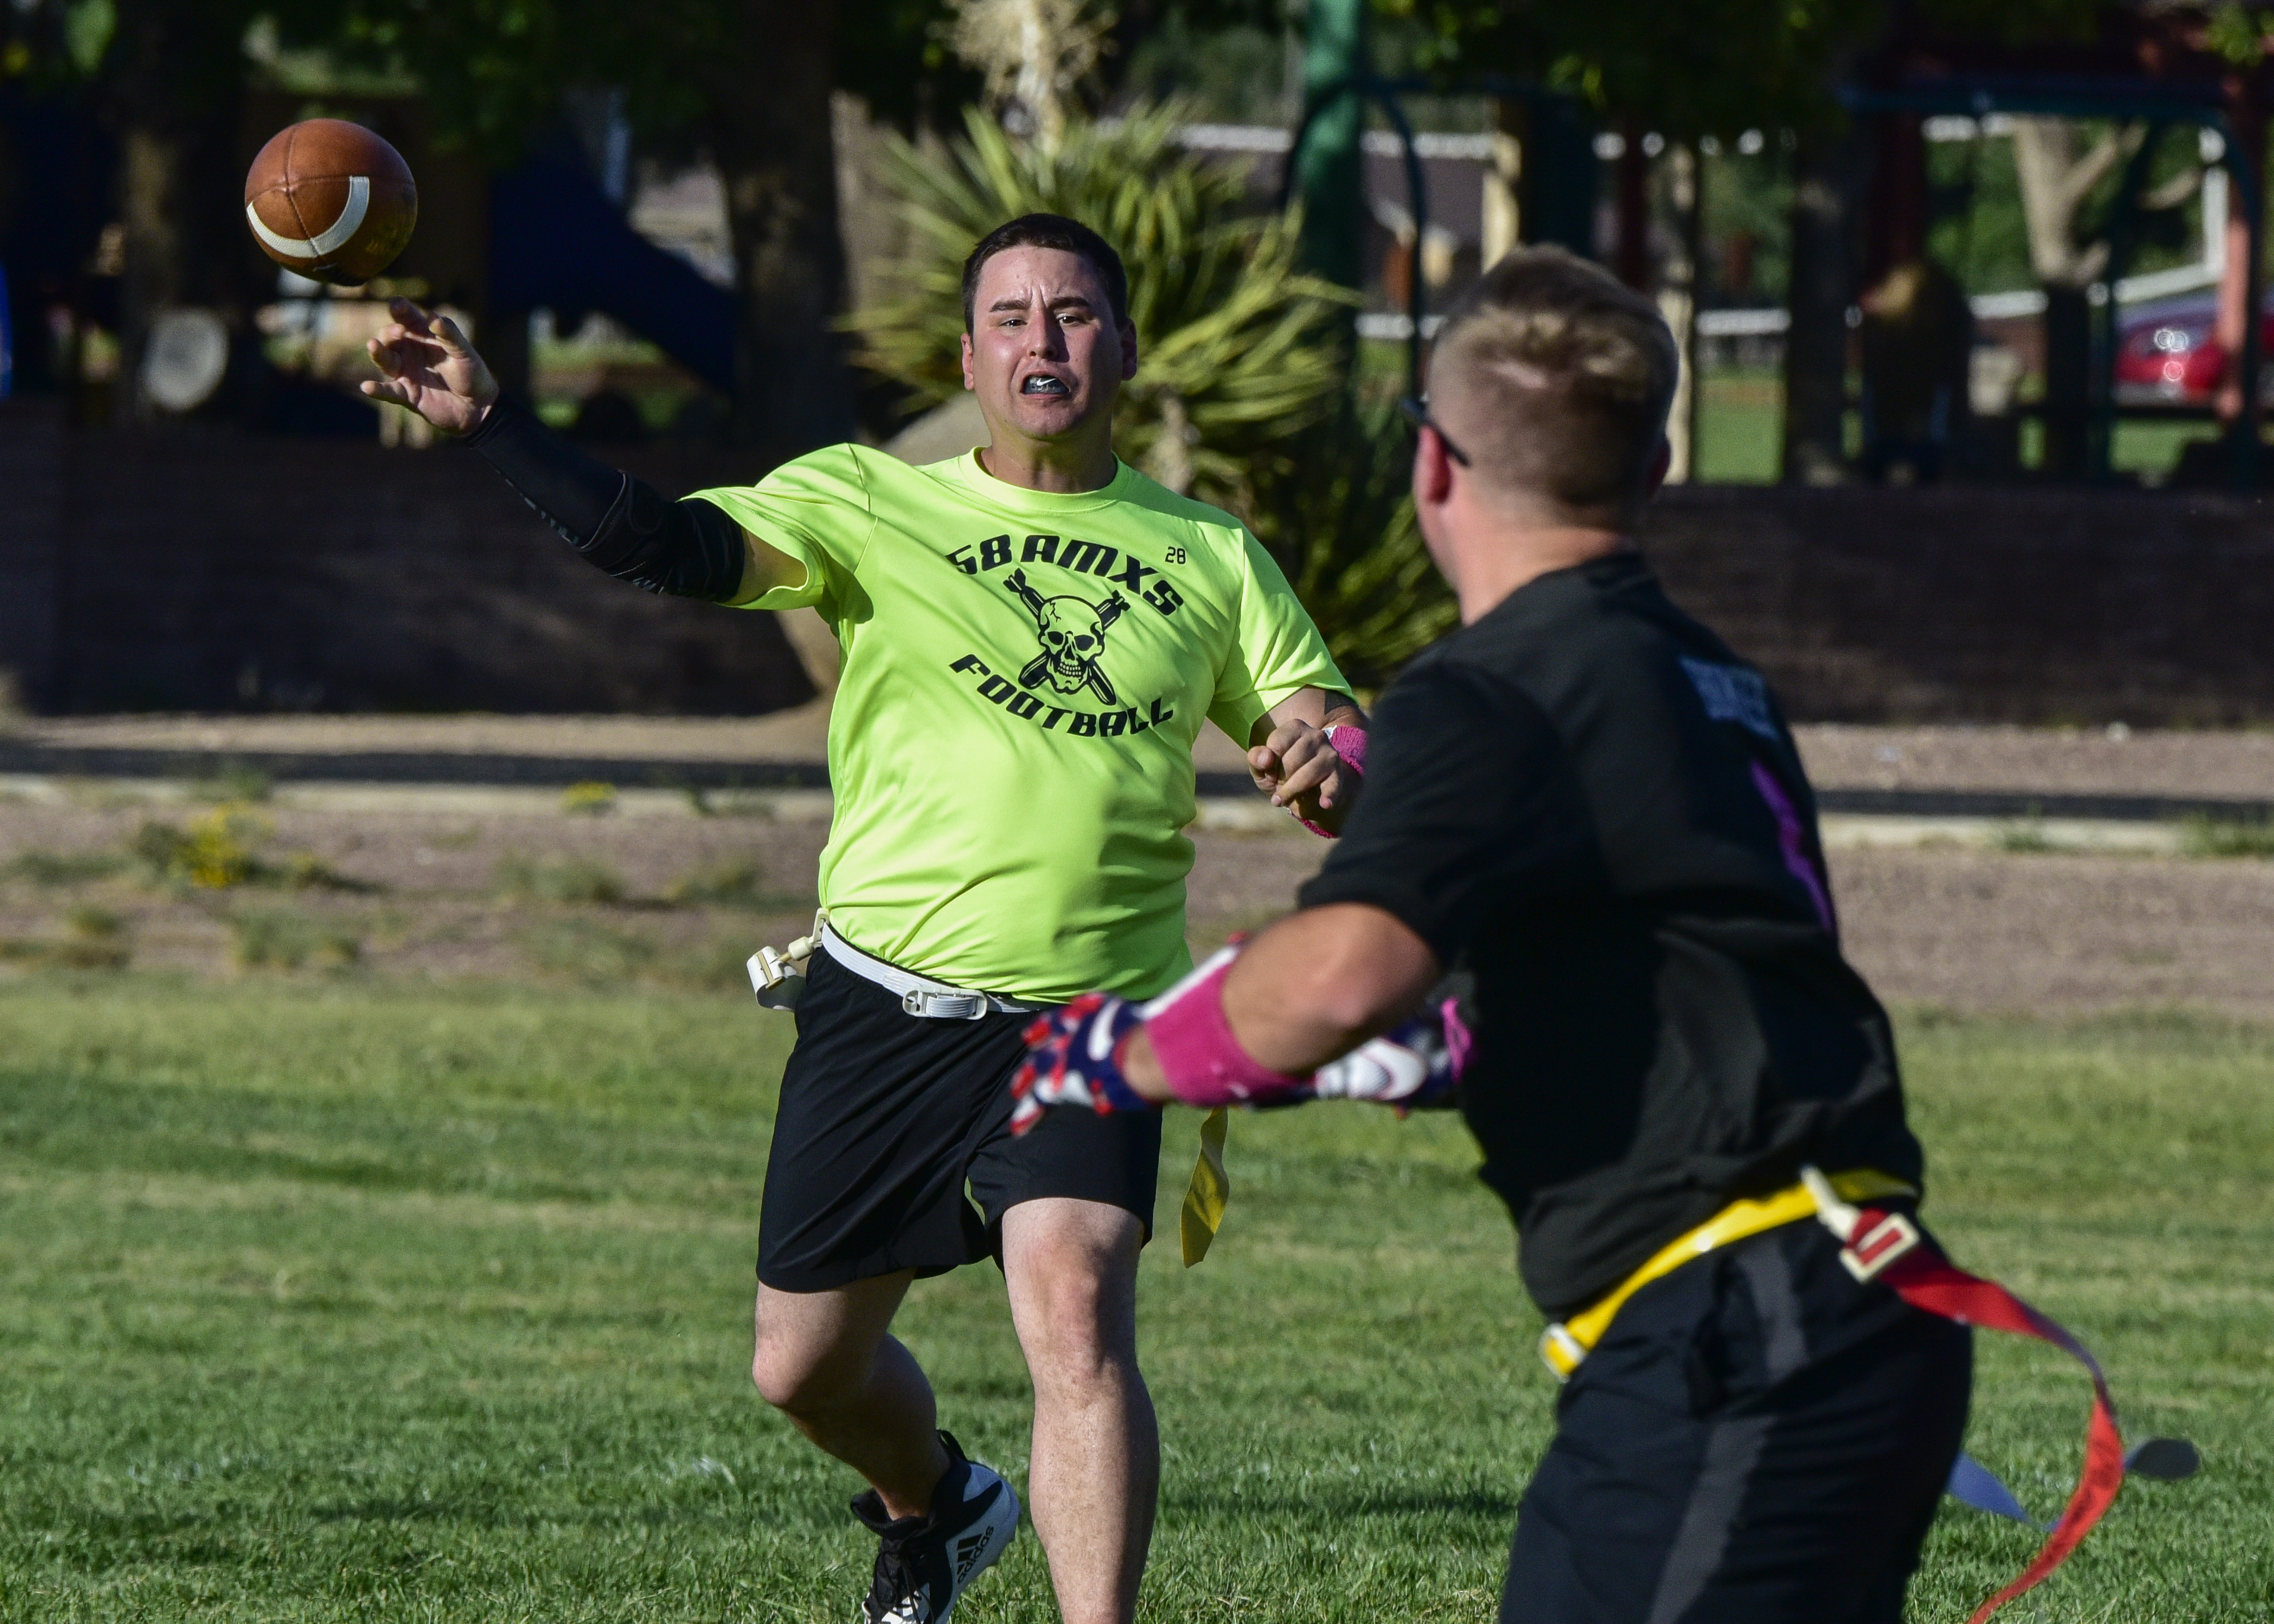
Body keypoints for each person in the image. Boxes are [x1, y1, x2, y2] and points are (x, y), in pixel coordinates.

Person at [361, 213, 1363, 1624]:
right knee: (800, 1369)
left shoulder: (1207, 554)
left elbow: (1320, 724)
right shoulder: (867, 500)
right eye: (1009, 317)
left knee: (1074, 1317)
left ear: (1123, 351)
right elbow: (671, 547)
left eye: (1073, 315)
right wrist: (495, 429)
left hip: (1091, 1017)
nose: (1041, 341)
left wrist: (1326, 760)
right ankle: (940, 1504)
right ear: (967, 354)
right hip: (882, 1004)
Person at [1011, 246, 1977, 1622]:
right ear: (1654, 474)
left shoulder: (1486, 692)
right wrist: (1470, 1039)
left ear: (1432, 471)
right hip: (1830, 1313)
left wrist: (1113, 1053)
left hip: (1735, 1338)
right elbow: (1684, 960)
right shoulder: (1708, 678)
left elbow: (1335, 970)